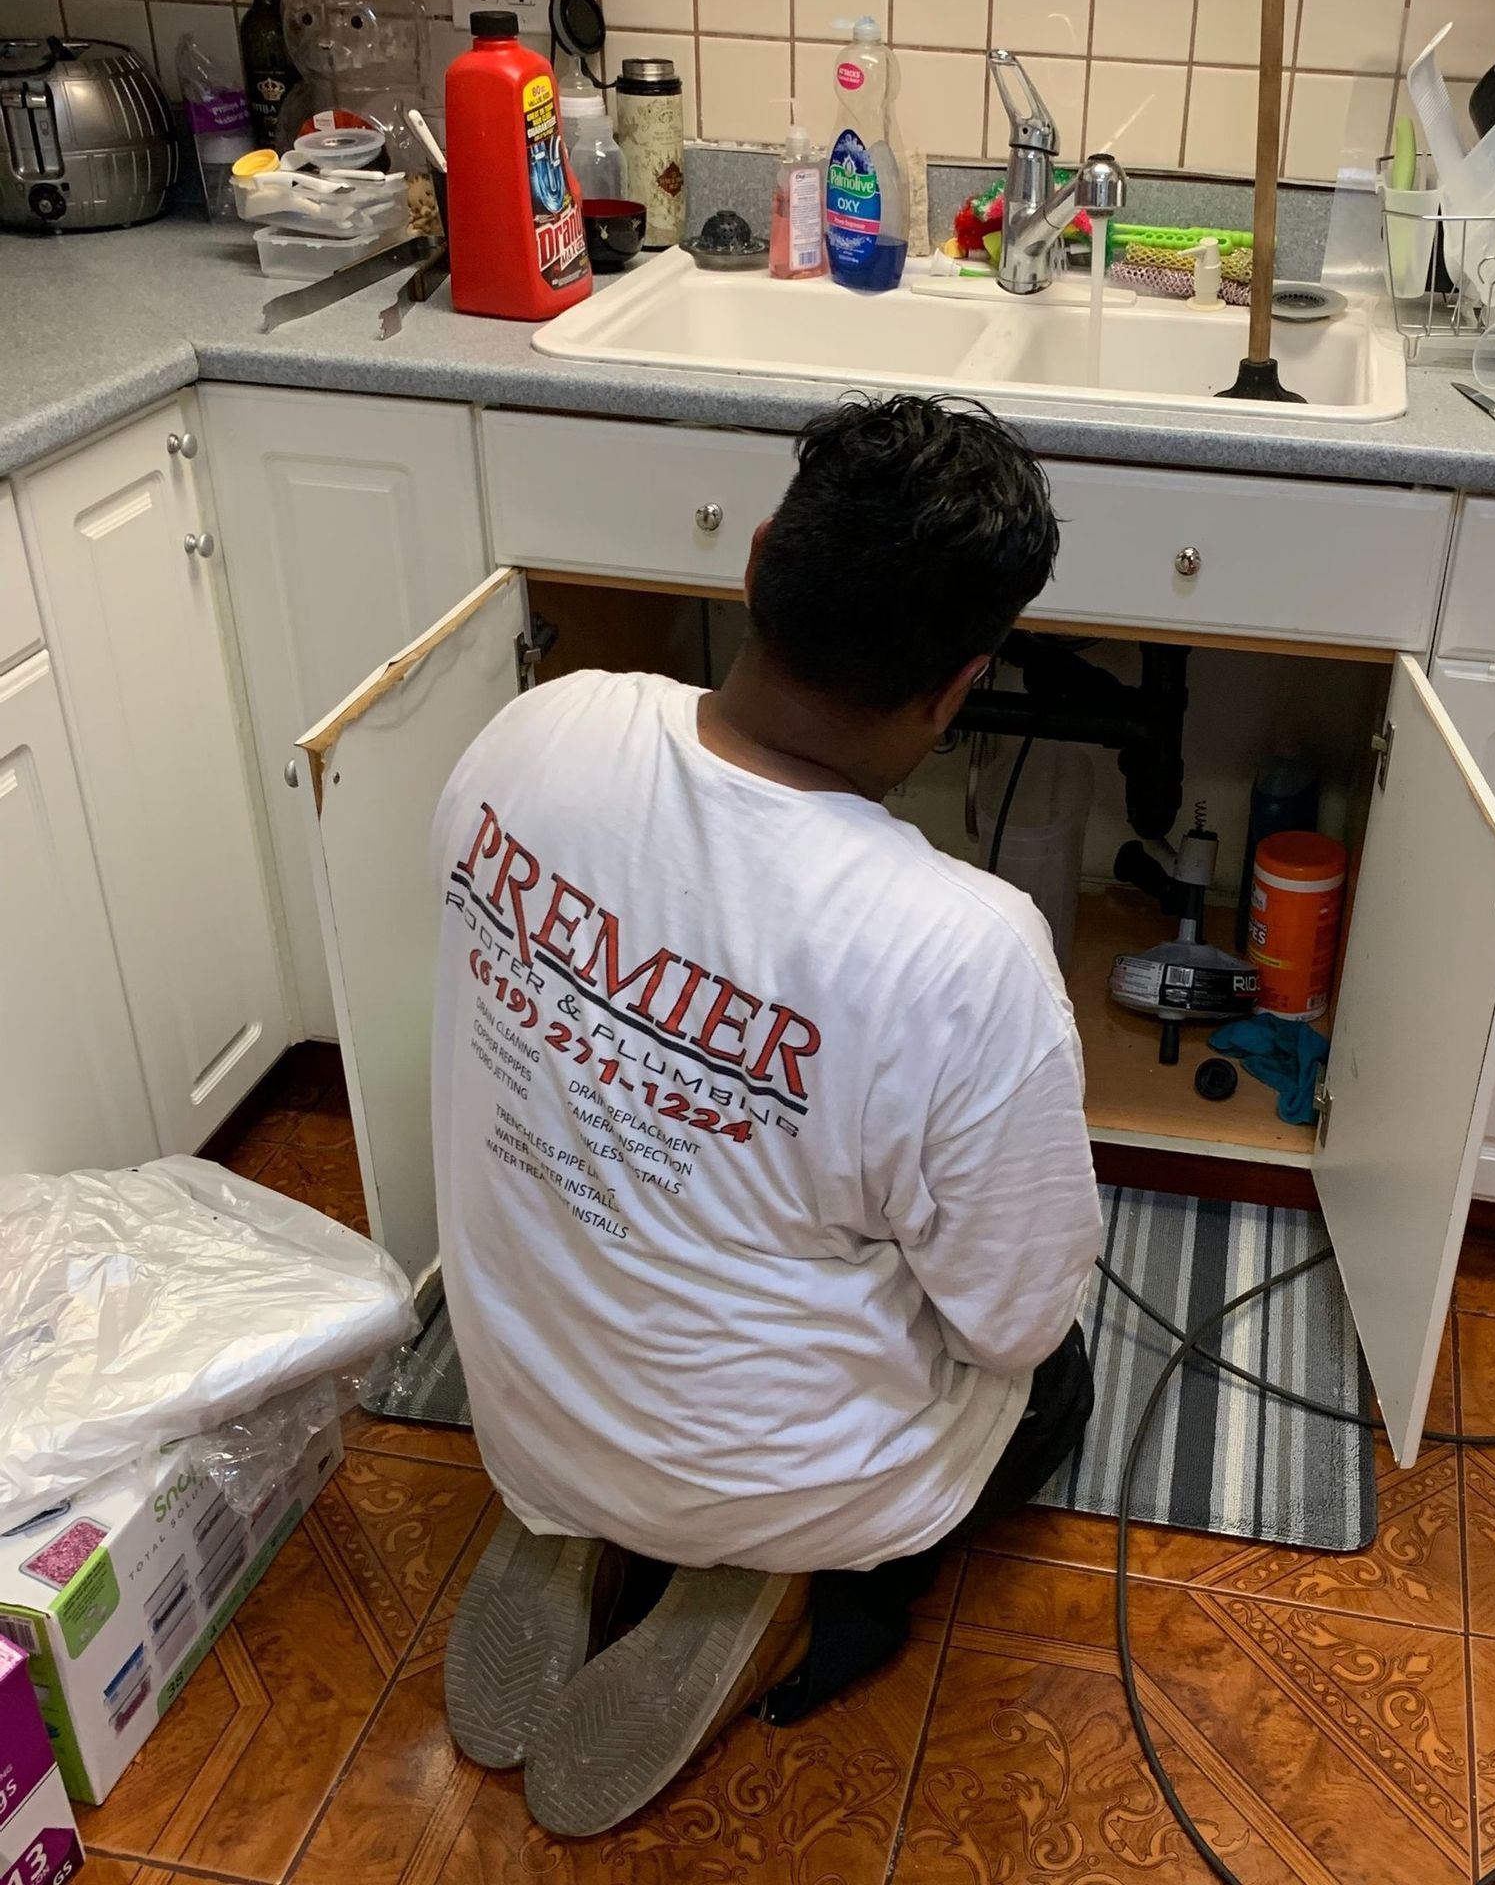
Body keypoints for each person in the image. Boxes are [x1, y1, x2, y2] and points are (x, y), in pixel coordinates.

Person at [429, 394, 1104, 1838]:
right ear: (955, 688)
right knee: (1061, 1374)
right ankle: (770, 1574)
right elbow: (1013, 1320)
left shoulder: (537, 733)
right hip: (775, 1479)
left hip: (524, 1400)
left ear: (752, 569)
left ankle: (566, 1508)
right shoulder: (963, 951)